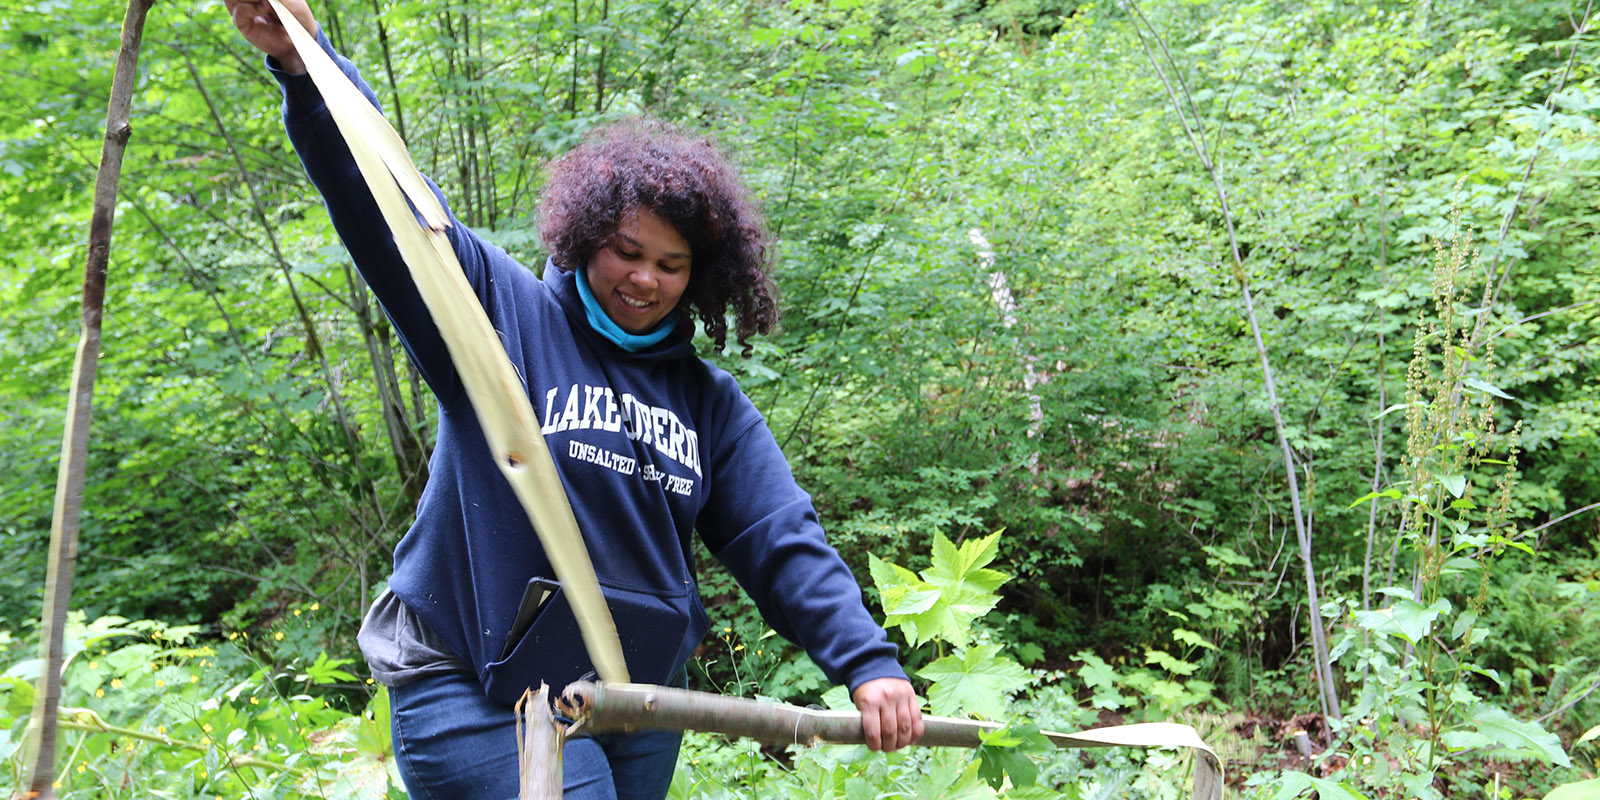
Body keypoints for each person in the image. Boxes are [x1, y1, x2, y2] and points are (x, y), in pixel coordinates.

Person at [223, 2, 925, 797]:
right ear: (587, 233)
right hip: (471, 680)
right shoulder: (502, 317)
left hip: (627, 695)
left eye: (672, 264)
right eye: (627, 251)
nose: (645, 280)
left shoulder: (709, 405)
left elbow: (780, 537)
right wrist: (307, 68)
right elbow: (390, 206)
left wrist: (866, 663)